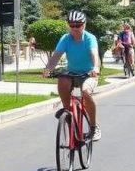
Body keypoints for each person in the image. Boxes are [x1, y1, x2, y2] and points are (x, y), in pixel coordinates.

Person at [43, 10, 102, 141]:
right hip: (72, 72)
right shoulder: (65, 39)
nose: (74, 28)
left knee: (86, 92)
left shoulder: (89, 38)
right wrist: (48, 69)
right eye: (71, 25)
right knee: (62, 80)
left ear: (84, 24)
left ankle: (93, 127)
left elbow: (94, 53)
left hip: (89, 73)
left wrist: (95, 68)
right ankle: (68, 112)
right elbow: (55, 57)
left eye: (78, 25)